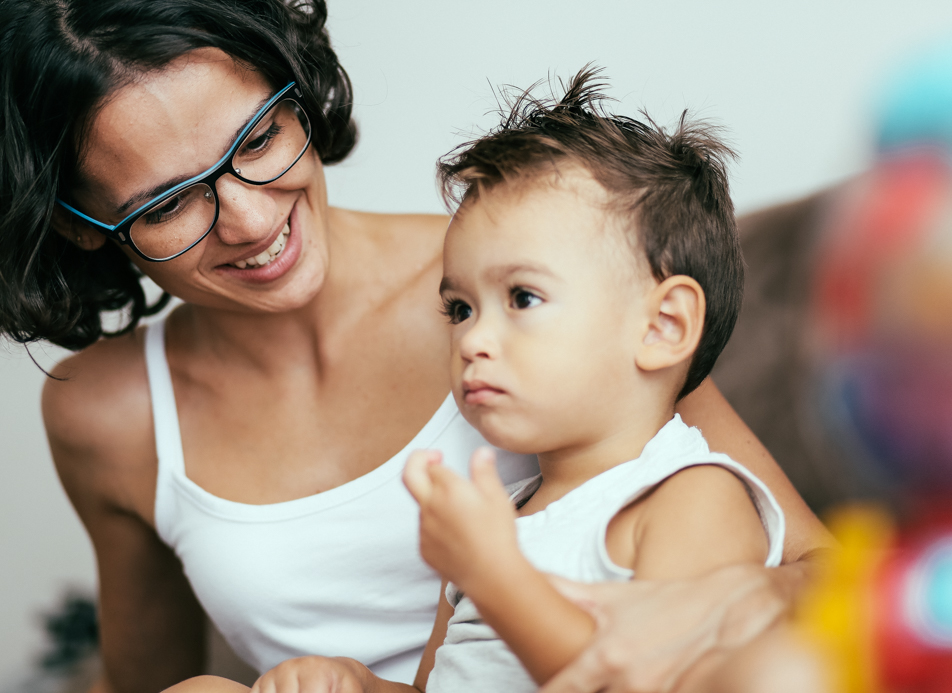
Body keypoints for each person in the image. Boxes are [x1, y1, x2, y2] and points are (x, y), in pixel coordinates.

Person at [0, 2, 831, 692]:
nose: (250, 218)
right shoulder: (105, 415)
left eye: (260, 138)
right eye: (166, 203)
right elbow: (147, 680)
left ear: (294, 91)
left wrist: (718, 606)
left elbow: (820, 573)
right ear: (81, 226)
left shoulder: (533, 288)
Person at [173, 68, 785, 693]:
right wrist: (357, 683)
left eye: (522, 297)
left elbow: (649, 682)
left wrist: (495, 575)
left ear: (662, 326)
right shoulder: (505, 516)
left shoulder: (690, 497)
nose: (473, 340)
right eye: (460, 309)